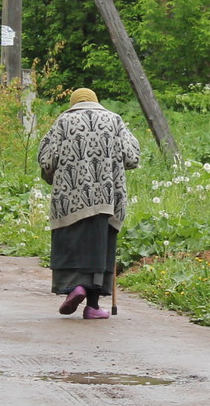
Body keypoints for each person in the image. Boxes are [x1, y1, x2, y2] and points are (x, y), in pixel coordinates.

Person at [36, 88, 142, 320]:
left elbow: (46, 159)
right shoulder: (114, 120)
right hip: (107, 197)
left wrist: (52, 178)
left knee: (71, 243)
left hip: (70, 198)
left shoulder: (63, 121)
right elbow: (133, 157)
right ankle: (93, 306)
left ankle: (76, 288)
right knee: (101, 247)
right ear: (96, 102)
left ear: (73, 103)